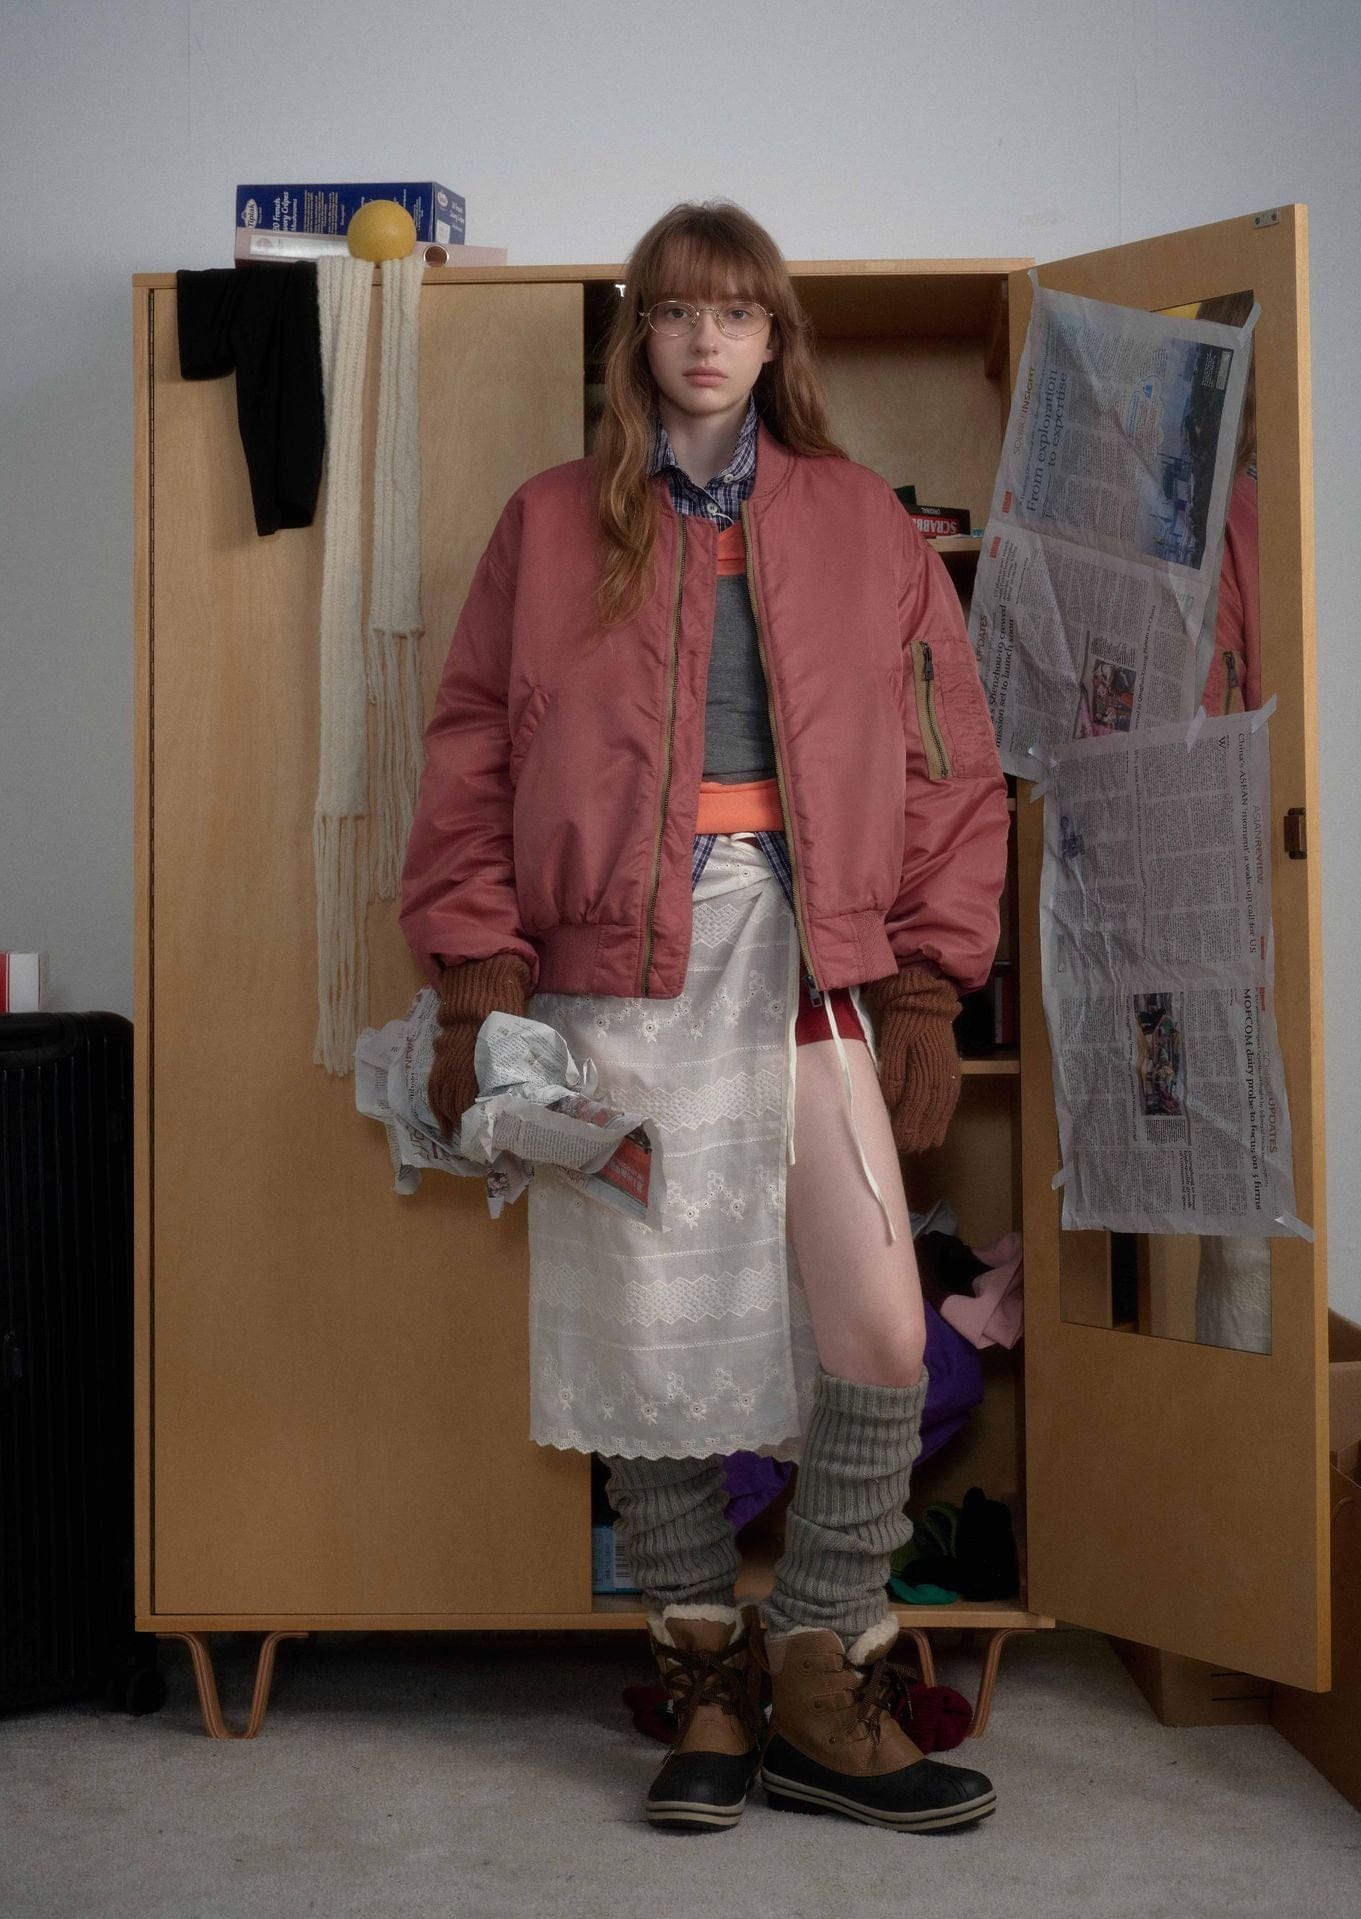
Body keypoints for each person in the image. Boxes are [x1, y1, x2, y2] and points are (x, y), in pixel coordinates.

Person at [397, 200, 1009, 1835]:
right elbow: (471, 751)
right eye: (675, 309)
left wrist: (929, 980)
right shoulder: (548, 522)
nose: (705, 338)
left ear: (773, 334)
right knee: (645, 1327)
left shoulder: (862, 518)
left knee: (882, 1321)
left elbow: (950, 763)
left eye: (736, 309)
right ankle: (706, 1676)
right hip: (612, 971)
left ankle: (819, 1658)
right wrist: (476, 978)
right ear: (640, 336)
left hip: (809, 954)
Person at [1192, 291, 1271, 1355]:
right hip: (1205, 875)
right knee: (1235, 1218)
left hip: (1244, 873)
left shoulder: (1255, 524)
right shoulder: (1221, 522)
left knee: (1243, 1223)